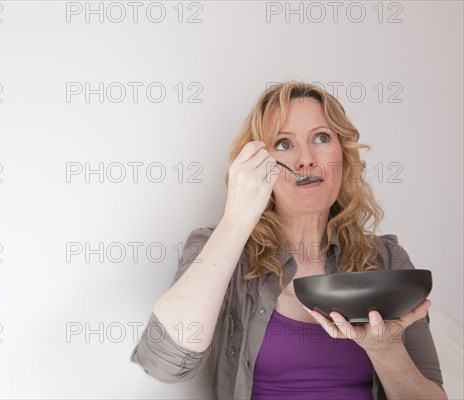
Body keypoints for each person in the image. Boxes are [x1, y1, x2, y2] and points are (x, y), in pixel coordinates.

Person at [129, 81, 446, 399]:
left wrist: (386, 349)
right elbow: (163, 364)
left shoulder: (387, 259)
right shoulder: (218, 249)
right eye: (283, 144)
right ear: (256, 164)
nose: (305, 159)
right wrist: (237, 218)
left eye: (321, 138)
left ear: (343, 156)